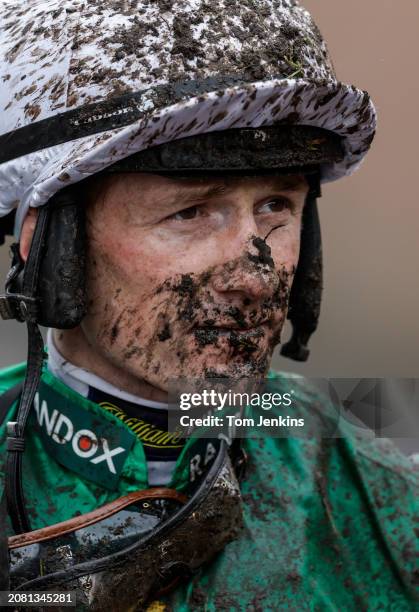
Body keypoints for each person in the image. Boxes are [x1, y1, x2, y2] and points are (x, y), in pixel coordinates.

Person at [0, 1, 417, 610]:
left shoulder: (381, 485)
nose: (254, 277)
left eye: (277, 205)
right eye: (190, 212)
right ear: (50, 249)